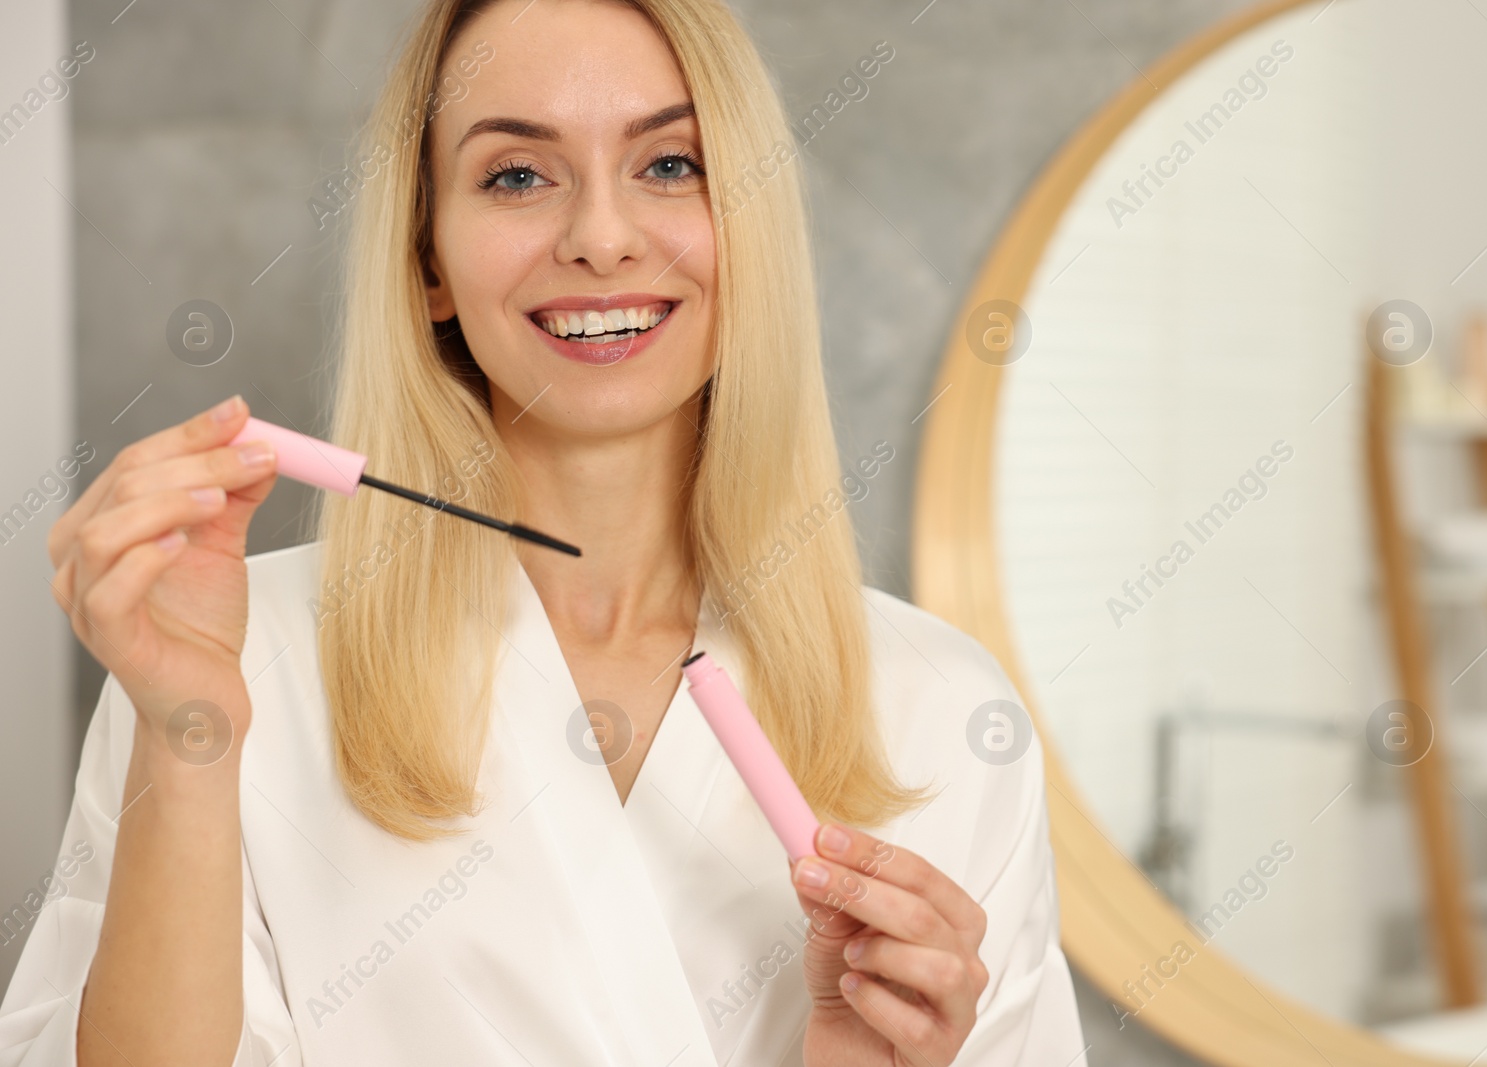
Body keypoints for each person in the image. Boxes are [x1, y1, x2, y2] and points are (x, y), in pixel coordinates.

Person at [0, 0, 1085, 1063]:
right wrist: (190, 738)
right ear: (427, 259)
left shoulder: (947, 712)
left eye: (668, 164)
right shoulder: (230, 661)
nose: (602, 239)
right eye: (516, 175)